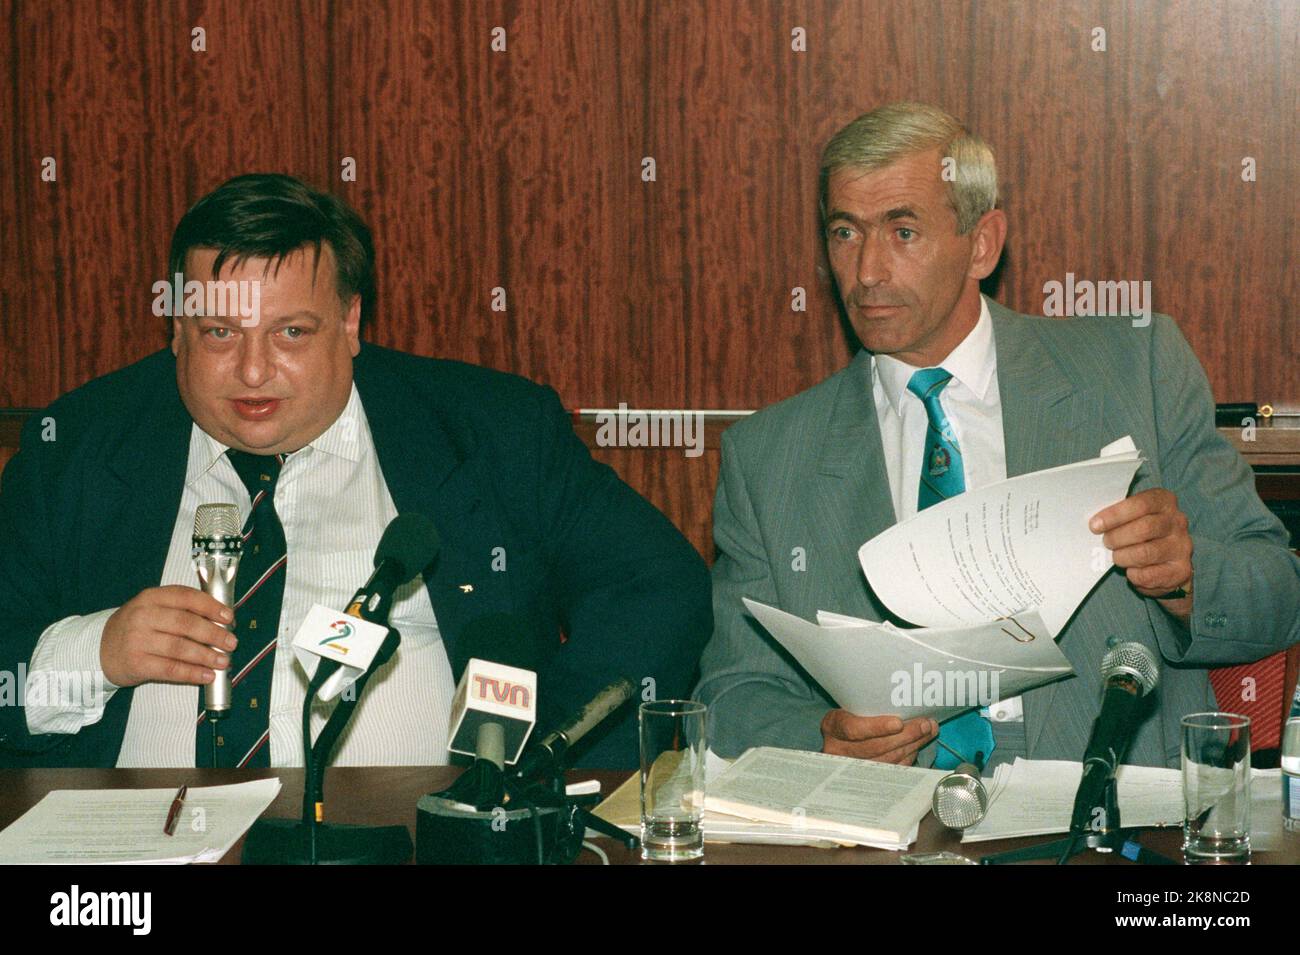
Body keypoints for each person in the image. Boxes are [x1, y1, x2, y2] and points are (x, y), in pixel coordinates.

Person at [0, 173, 711, 770]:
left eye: (291, 333)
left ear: (349, 323)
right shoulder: (80, 448)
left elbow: (657, 584)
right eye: (220, 333)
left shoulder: (487, 431)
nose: (253, 371)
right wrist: (96, 652)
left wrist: (536, 760)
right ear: (177, 329)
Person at [696, 102, 1300, 771]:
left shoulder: (1135, 373)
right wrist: (821, 735)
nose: (865, 271)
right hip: (888, 833)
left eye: (902, 232)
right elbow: (728, 698)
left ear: (982, 243)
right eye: (844, 232)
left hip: (1099, 818)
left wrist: (1186, 576)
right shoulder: (769, 456)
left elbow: (1278, 594)